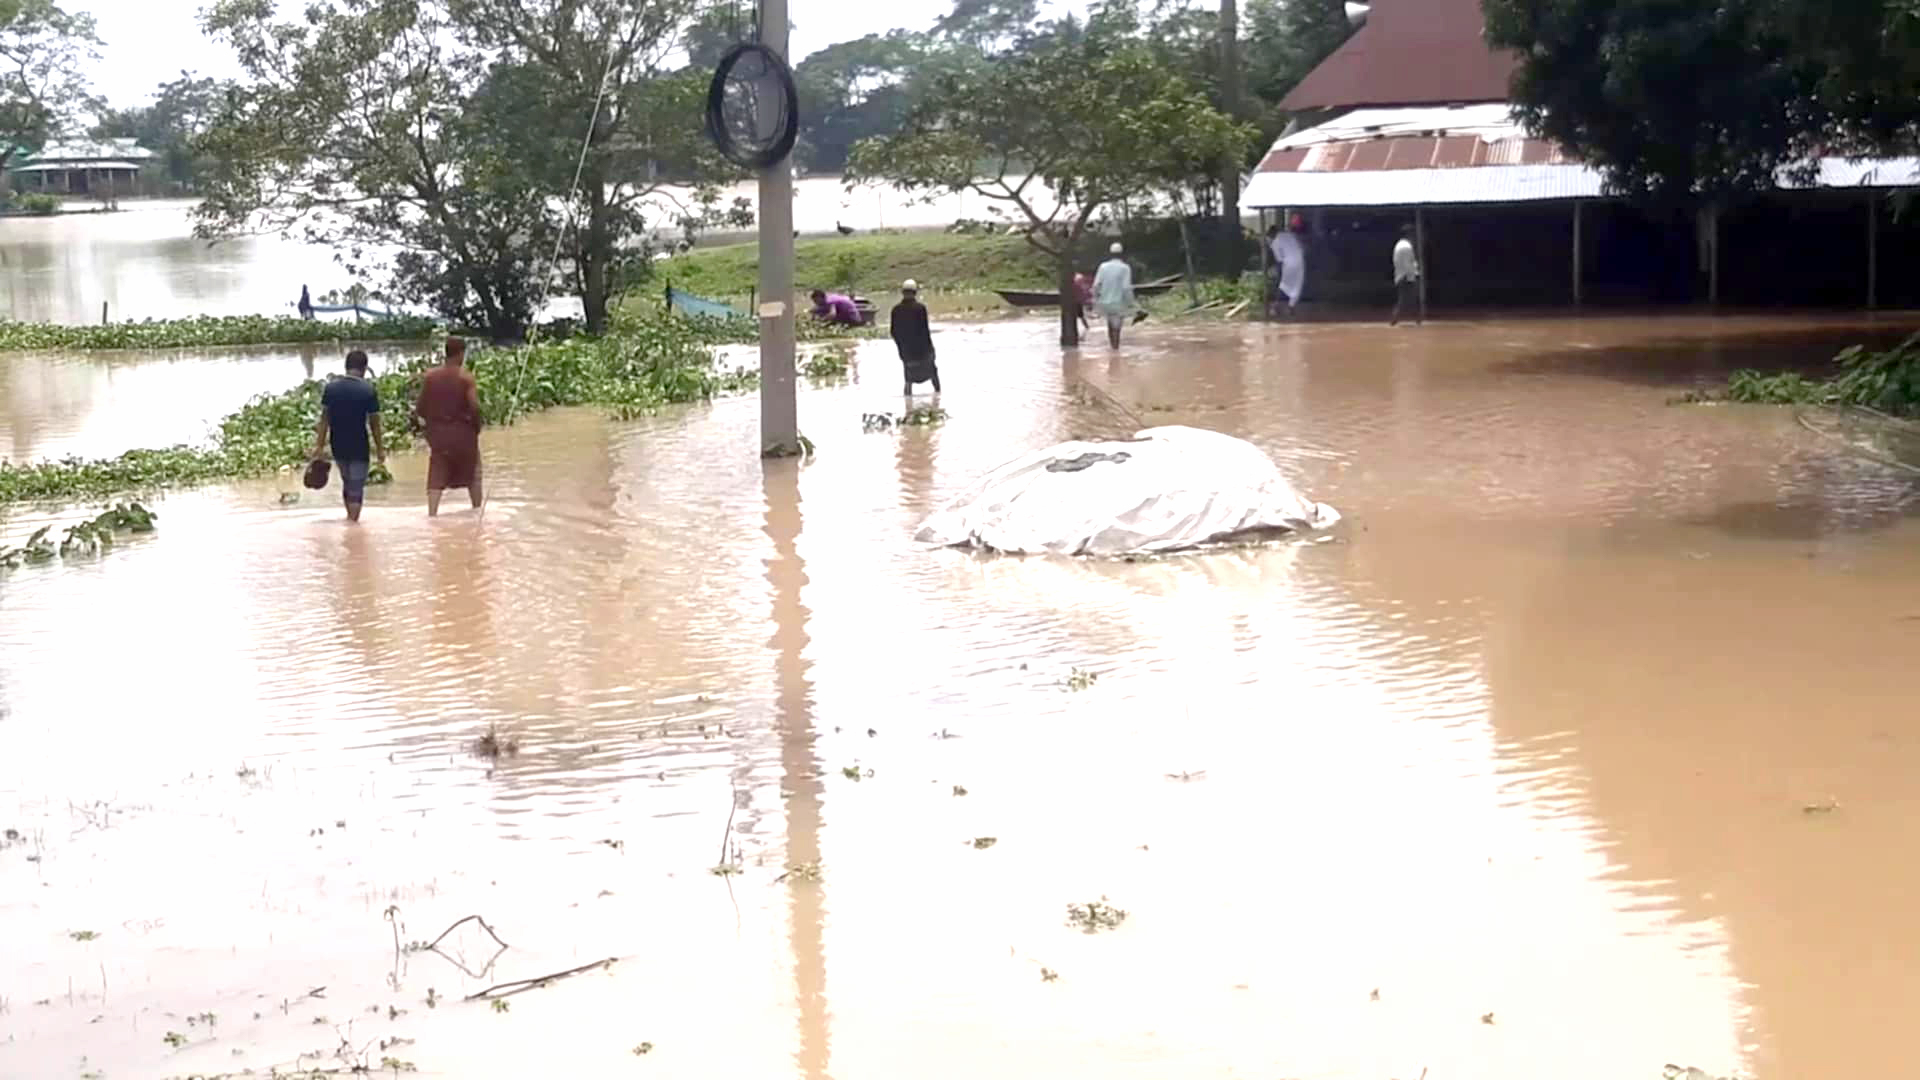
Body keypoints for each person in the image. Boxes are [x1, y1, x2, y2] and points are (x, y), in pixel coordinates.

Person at [309, 349, 385, 522]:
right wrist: (380, 448)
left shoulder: (331, 388)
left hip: (338, 444)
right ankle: (353, 524)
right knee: (356, 487)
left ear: (346, 366)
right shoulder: (368, 390)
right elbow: (374, 423)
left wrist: (319, 445)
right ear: (364, 368)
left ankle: (349, 520)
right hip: (359, 446)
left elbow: (324, 419)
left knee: (347, 482)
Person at [413, 336, 484, 516]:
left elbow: (420, 408)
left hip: (438, 435)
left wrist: (432, 424)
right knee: (473, 474)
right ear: (461, 354)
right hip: (463, 433)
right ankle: (476, 511)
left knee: (436, 474)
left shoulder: (430, 377)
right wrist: (477, 426)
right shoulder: (466, 378)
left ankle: (432, 515)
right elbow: (474, 406)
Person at [890, 279, 941, 395]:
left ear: (903, 292)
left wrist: (901, 348)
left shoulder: (896, 310)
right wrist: (931, 349)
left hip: (906, 352)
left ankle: (908, 405)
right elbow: (924, 331)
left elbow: (894, 332)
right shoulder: (920, 308)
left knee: (908, 379)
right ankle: (938, 398)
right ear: (915, 293)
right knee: (933, 373)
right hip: (923, 350)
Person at [1091, 242, 1138, 349]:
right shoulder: (1125, 268)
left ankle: (1112, 351)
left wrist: (1094, 301)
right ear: (1122, 254)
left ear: (1110, 254)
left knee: (1110, 325)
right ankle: (1116, 353)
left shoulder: (1103, 267)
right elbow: (1126, 288)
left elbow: (1096, 285)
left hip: (1104, 303)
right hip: (1118, 303)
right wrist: (1131, 303)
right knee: (1117, 329)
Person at [1268, 217, 1306, 318]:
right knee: (1297, 284)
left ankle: (1275, 307)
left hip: (1289, 263)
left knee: (1284, 285)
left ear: (1272, 234)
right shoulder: (1289, 235)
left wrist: (1279, 273)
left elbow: (1279, 260)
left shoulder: (1275, 242)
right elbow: (1301, 247)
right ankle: (1291, 307)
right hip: (1300, 261)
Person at [1390, 224, 1422, 326]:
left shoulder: (1398, 245)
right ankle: (1396, 319)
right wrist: (1413, 276)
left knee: (1406, 300)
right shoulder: (1407, 246)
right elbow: (1408, 264)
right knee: (1408, 300)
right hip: (1406, 277)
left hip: (1400, 275)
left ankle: (1416, 320)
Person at [1072, 271, 1094, 337]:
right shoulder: (1079, 278)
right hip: (1077, 300)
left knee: (1080, 316)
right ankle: (1087, 328)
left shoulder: (1078, 278)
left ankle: (1087, 328)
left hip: (1076, 300)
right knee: (1081, 316)